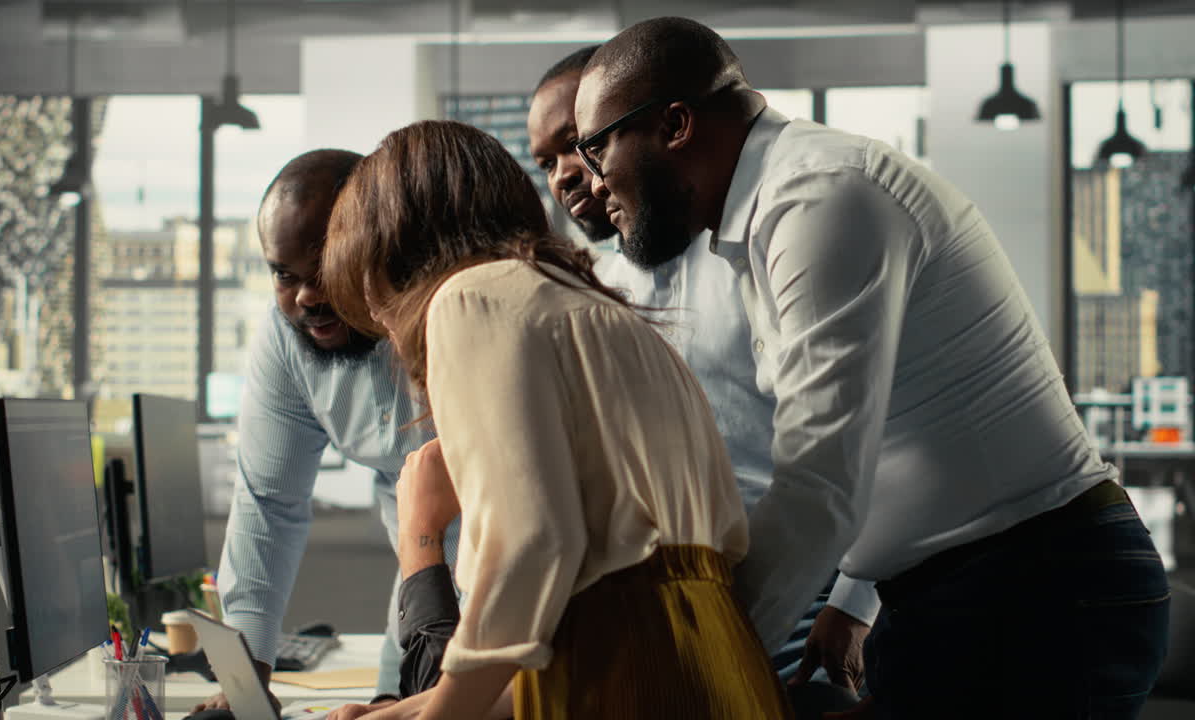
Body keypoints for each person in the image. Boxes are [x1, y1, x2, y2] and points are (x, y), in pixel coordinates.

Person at [573, 16, 1170, 719]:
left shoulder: (817, 197)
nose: (592, 181)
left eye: (594, 146)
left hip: (1039, 590)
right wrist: (855, 593)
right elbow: (878, 434)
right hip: (963, 591)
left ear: (675, 124)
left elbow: (820, 477)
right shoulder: (763, 221)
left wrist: (696, 663)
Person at [321, 120, 792, 720]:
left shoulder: (469, 298)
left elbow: (532, 545)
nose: (383, 324)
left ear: (395, 251)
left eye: (372, 298)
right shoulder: (606, 316)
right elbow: (594, 637)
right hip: (720, 672)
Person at [528, 44, 875, 693]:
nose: (566, 175)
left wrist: (855, 602)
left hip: (806, 585)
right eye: (546, 162)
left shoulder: (764, 249)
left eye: (579, 144)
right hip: (672, 593)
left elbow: (862, 439)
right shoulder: (595, 282)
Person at [192, 149, 444, 713]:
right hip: (416, 594)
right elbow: (268, 505)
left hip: (507, 602)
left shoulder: (446, 316)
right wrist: (246, 685)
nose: (306, 296)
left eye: (325, 269)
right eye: (284, 274)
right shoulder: (285, 341)